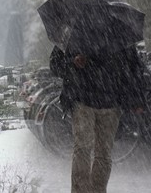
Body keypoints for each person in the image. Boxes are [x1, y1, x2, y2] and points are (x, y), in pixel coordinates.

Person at [50, 45, 146, 193]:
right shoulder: (74, 31)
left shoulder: (116, 33)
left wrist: (136, 99)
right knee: (84, 149)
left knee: (102, 153)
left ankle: (97, 190)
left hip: (110, 103)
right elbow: (55, 65)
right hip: (83, 101)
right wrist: (72, 63)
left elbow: (133, 67)